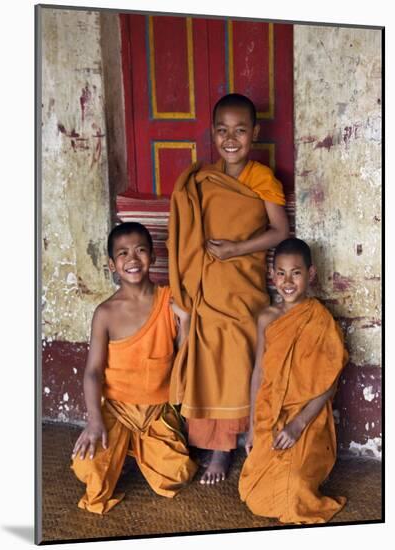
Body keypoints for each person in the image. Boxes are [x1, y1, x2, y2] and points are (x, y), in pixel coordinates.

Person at [167, 93, 289, 485]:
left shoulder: (262, 178)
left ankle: (223, 448)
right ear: (213, 133)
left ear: (255, 132)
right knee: (207, 359)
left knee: (236, 359)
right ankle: (207, 440)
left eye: (240, 130)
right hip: (208, 285)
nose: (231, 139)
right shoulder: (204, 179)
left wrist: (236, 248)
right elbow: (189, 230)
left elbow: (279, 231)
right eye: (223, 131)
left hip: (242, 286)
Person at [71, 222, 197, 514]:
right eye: (123, 253)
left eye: (140, 251)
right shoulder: (105, 313)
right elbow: (92, 372)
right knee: (86, 469)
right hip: (116, 409)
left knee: (176, 474)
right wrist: (94, 421)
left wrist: (187, 322)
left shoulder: (169, 300)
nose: (132, 259)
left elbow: (184, 357)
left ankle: (133, 452)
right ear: (112, 264)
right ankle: (123, 449)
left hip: (156, 409)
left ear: (153, 257)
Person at [239, 237, 347, 524]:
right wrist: (251, 427)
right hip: (270, 411)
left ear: (310, 275)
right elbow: (258, 373)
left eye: (296, 273)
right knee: (252, 493)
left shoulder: (321, 320)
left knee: (296, 489)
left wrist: (299, 424)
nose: (287, 281)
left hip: (308, 417)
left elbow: (330, 382)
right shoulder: (266, 318)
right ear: (272, 276)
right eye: (281, 273)